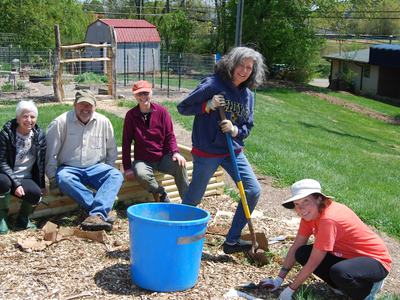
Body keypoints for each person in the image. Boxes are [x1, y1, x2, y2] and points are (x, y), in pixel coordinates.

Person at [177, 46, 266, 254]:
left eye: (249, 68)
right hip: (207, 151)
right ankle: (177, 233)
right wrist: (207, 104)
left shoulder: (248, 95)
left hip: (232, 151)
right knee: (194, 197)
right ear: (231, 64)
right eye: (241, 66)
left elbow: (247, 126)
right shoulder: (213, 84)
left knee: (253, 191)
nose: (244, 71)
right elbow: (183, 107)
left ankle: (232, 241)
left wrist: (235, 130)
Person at [260, 179, 391, 300]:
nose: (301, 209)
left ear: (318, 199)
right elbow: (296, 246)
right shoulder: (309, 216)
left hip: (375, 260)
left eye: (306, 201)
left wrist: (290, 289)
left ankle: (368, 291)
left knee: (340, 272)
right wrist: (278, 279)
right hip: (346, 256)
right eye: (297, 204)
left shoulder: (329, 219)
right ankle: (342, 286)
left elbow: (314, 261)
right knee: (302, 252)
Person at [46, 90, 123, 232]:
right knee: (63, 178)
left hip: (96, 167)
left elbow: (112, 150)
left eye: (89, 105)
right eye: (82, 105)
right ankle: (100, 211)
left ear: (95, 106)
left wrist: (109, 167)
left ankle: (96, 214)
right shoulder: (60, 122)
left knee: (116, 175)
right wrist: (52, 178)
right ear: (74, 105)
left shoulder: (104, 122)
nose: (85, 109)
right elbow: (50, 153)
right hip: (69, 168)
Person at [122, 80, 189, 202]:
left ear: (151, 93)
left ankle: (188, 201)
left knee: (180, 165)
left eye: (146, 93)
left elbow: (170, 135)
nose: (143, 97)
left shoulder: (162, 112)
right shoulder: (131, 115)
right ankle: (160, 193)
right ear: (134, 95)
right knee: (141, 174)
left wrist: (175, 152)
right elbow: (126, 143)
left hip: (163, 157)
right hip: (142, 159)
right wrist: (127, 167)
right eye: (139, 94)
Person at [0, 100, 46, 234]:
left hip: (25, 176)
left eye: (32, 117)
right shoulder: (6, 135)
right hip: (7, 175)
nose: (29, 120)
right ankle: (2, 218)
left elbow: (41, 162)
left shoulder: (40, 136)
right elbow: (1, 162)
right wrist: (16, 184)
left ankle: (23, 219)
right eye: (25, 116)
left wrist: (42, 185)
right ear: (18, 118)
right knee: (2, 182)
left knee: (36, 193)